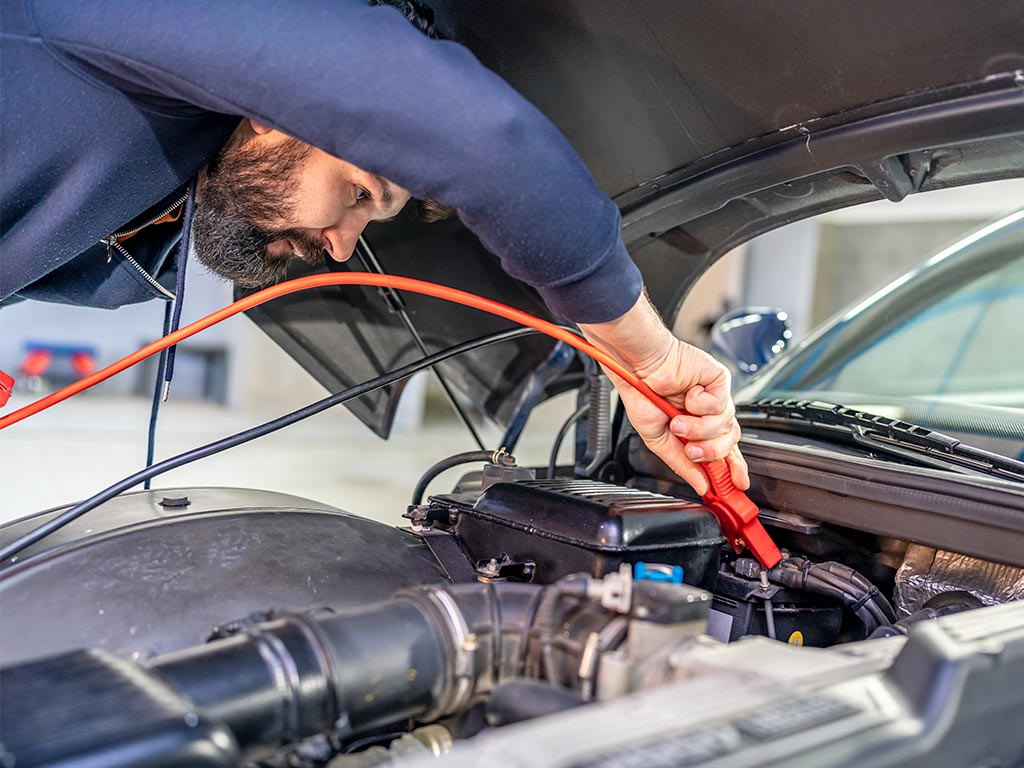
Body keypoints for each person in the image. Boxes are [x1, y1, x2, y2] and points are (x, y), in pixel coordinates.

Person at [0, 0, 747, 496]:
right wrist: (648, 356)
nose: (340, 248)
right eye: (360, 192)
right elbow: (485, 144)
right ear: (283, 104)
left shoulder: (154, 159)